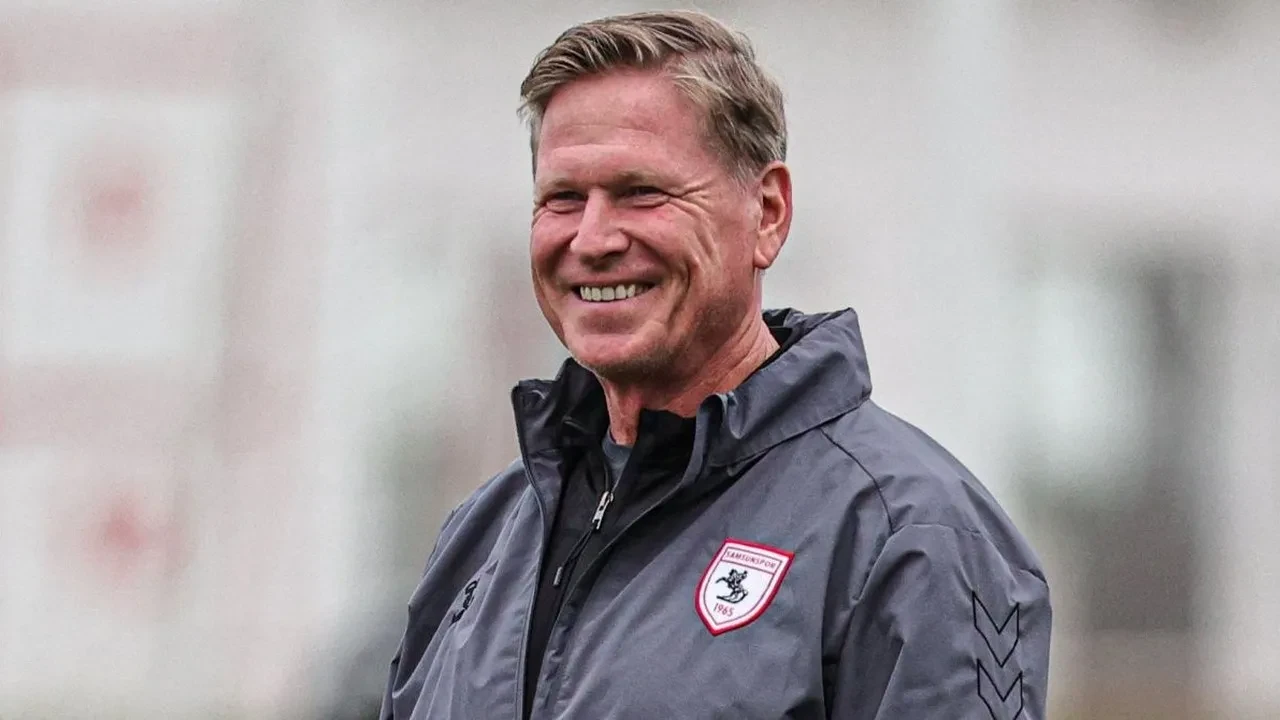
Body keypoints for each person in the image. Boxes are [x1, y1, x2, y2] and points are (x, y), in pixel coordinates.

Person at [381, 10, 1051, 720]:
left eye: (642, 192)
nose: (593, 238)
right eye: (564, 198)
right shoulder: (483, 536)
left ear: (767, 213)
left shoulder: (910, 536)